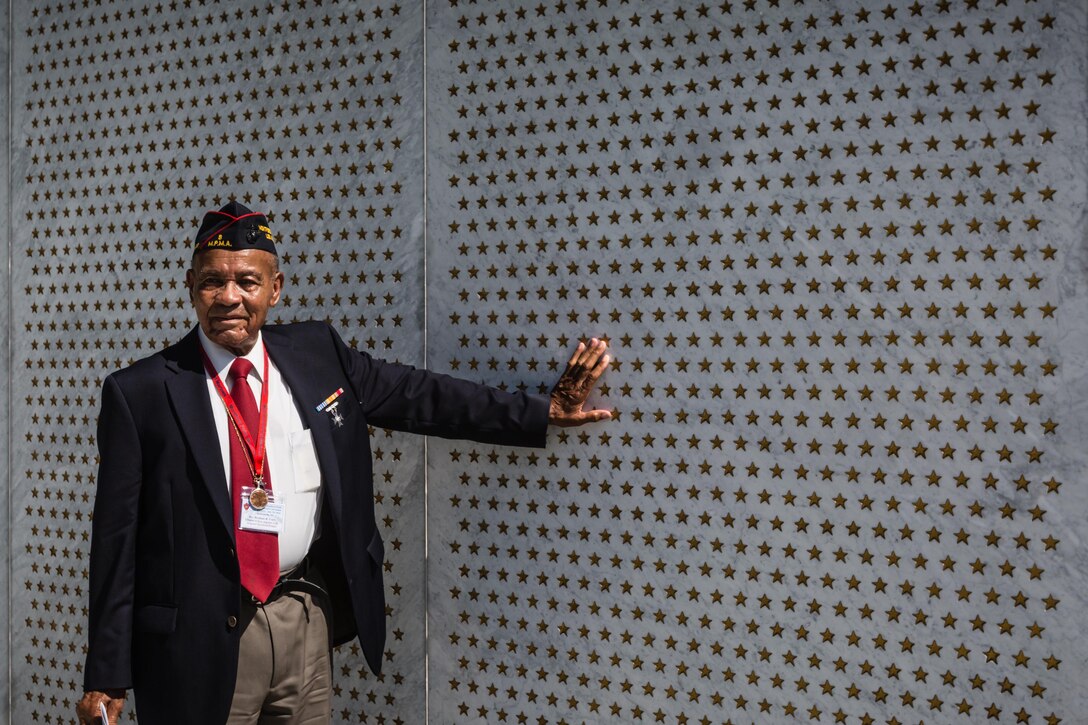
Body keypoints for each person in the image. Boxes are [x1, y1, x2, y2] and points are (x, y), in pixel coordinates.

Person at [75, 201, 611, 724]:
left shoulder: (317, 353)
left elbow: (418, 396)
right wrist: (106, 673)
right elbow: (116, 541)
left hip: (303, 619)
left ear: (276, 289)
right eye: (213, 281)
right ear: (191, 287)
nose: (229, 297)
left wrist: (539, 411)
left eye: (248, 281)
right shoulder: (140, 391)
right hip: (196, 642)